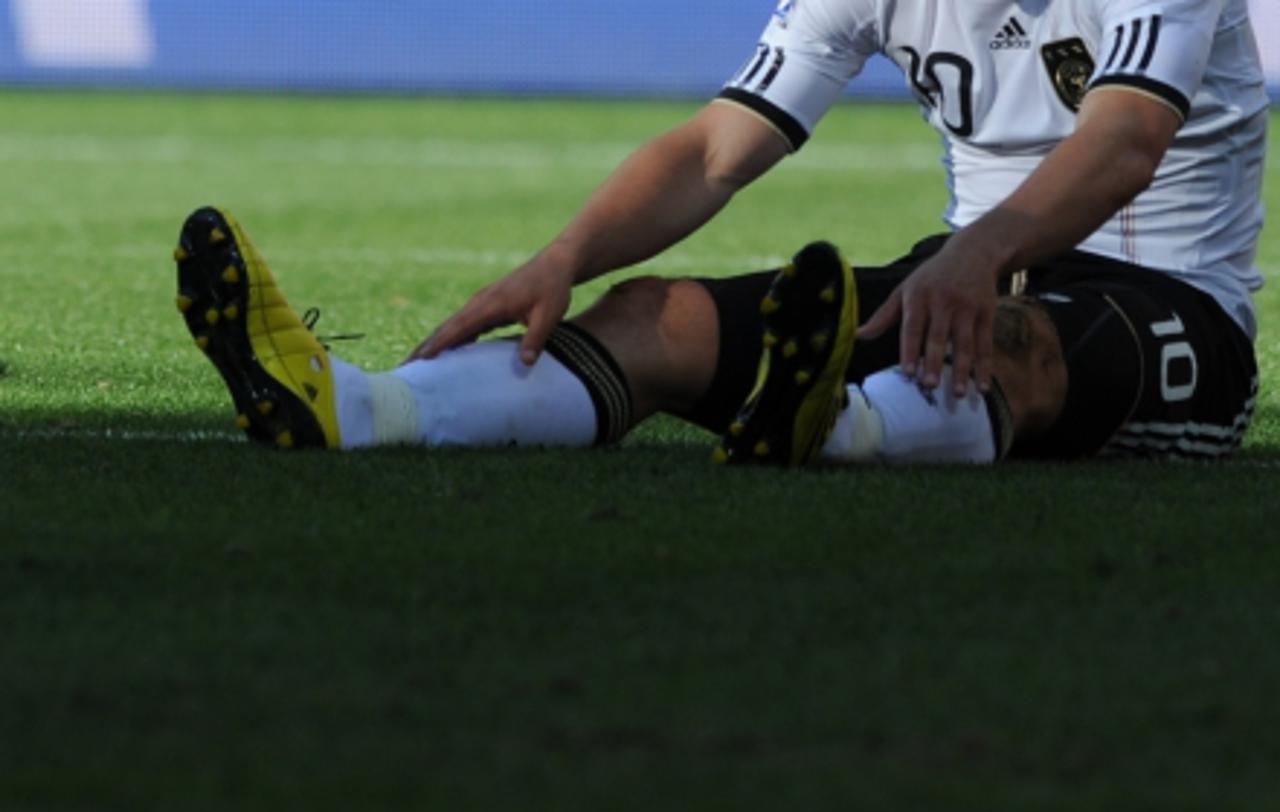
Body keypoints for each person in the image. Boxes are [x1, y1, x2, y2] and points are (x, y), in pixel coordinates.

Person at [174, 0, 1267, 464]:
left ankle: (830, 425)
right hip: (964, 275)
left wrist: (983, 252)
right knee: (651, 317)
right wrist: (566, 254)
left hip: (1162, 310)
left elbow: (1126, 138)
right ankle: (358, 407)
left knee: (1018, 343)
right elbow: (713, 148)